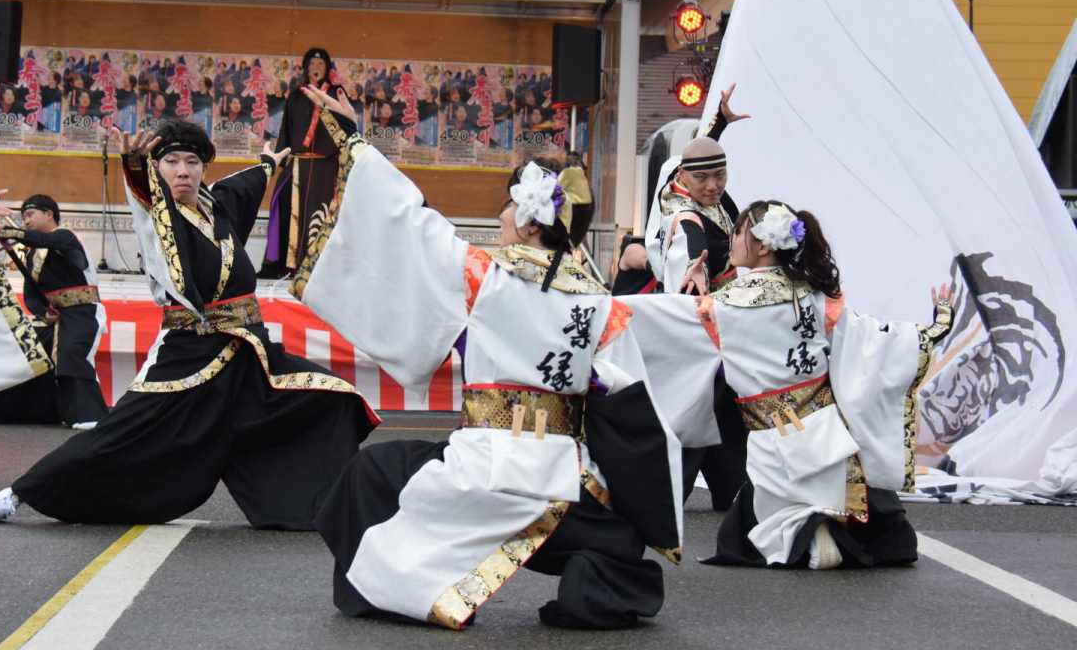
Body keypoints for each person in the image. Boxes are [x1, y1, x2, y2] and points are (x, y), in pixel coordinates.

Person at [290, 85, 684, 631]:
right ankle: (602, 573)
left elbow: (407, 221)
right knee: (611, 537)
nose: (499, 218)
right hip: (565, 481)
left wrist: (353, 140)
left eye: (506, 206)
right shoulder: (601, 303)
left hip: (481, 463)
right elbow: (631, 397)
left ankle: (386, 588)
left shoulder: (483, 276)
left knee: (372, 471)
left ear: (527, 222)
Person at [0, 121, 377, 528]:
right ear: (157, 169)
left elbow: (248, 182)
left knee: (331, 397)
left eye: (192, 161)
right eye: (171, 161)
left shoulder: (219, 207)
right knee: (119, 434)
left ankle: (330, 503)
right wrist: (134, 162)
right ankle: (15, 495)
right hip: (189, 352)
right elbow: (145, 194)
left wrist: (268, 163)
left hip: (250, 353)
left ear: (203, 169)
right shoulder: (159, 215)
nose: (182, 170)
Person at [624, 200, 954, 570]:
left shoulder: (725, 307)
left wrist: (596, 312)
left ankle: (807, 536)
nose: (731, 240)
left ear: (763, 245)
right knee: (878, 524)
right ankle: (824, 525)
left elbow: (656, 321)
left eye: (738, 233)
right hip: (831, 437)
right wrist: (937, 325)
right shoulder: (815, 294)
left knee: (742, 539)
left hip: (772, 441)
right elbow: (872, 342)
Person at [640, 83, 753, 511]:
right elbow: (685, 257)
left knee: (719, 405)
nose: (712, 185)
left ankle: (731, 486)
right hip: (699, 320)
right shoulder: (685, 216)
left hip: (719, 322)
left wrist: (718, 123)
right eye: (702, 177)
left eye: (719, 175)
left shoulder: (680, 178)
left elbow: (697, 153)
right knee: (696, 406)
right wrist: (692, 279)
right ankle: (662, 491)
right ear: (683, 178)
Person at [0, 195, 109, 429]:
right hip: (55, 318)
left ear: (49, 214)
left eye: (30, 215)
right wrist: (43, 312)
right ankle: (14, 412)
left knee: (70, 353)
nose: (26, 221)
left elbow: (42, 239)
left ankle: (89, 415)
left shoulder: (66, 238)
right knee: (25, 350)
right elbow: (32, 294)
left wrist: (13, 234)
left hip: (82, 312)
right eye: (22, 218)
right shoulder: (32, 254)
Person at [265, 47, 357, 277]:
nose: (315, 68)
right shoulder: (296, 95)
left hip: (326, 165)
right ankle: (282, 266)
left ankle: (321, 268)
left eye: (320, 65)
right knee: (283, 204)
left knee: (325, 214)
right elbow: (287, 128)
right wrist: (280, 159)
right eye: (312, 65)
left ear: (327, 68)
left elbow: (345, 126)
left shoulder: (336, 93)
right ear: (306, 68)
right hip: (298, 164)